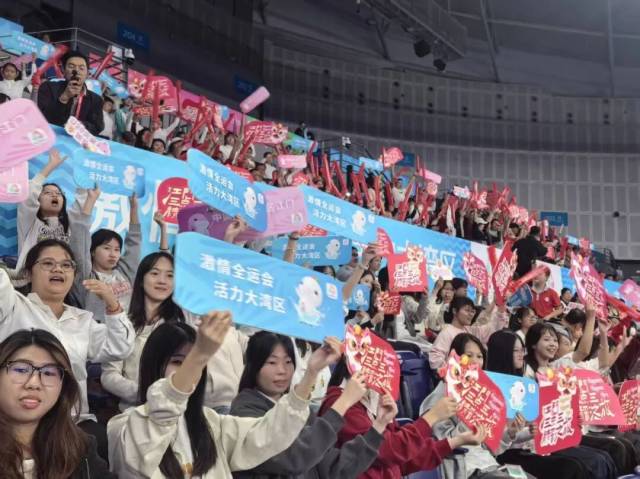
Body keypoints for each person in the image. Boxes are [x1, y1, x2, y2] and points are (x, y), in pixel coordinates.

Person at [108, 314, 328, 478]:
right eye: (177, 362)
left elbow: (268, 434)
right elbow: (163, 409)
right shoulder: (124, 426)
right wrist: (199, 354)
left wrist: (311, 373)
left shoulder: (211, 422)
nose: (191, 370)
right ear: (154, 364)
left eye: (196, 363)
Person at [0, 239, 134, 457]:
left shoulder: (83, 320)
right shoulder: (12, 305)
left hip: (73, 422)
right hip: (17, 420)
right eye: (48, 263)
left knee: (100, 444)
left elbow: (121, 347)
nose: (58, 269)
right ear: (28, 273)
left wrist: (112, 304)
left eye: (66, 265)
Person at [231, 331, 388, 479]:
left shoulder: (300, 410)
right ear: (253, 366)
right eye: (272, 362)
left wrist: (379, 425)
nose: (282, 370)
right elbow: (294, 458)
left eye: (288, 362)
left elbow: (334, 468)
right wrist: (344, 402)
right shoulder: (244, 411)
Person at [319, 357, 483, 479]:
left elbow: (403, 459)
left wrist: (458, 441)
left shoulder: (375, 399)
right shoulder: (340, 403)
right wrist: (431, 417)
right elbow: (385, 452)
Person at [0, 329, 115, 478]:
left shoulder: (80, 447)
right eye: (21, 370)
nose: (34, 384)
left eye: (48, 373)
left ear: (63, 386)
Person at [421, 333, 533, 479]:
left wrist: (510, 433)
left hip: (490, 465)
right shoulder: (438, 398)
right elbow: (444, 444)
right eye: (469, 355)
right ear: (454, 358)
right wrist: (470, 416)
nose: (475, 361)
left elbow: (490, 448)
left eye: (479, 356)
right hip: (466, 470)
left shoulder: (481, 396)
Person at [485, 330, 589, 479]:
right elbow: (498, 441)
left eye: (522, 350)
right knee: (571, 467)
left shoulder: (522, 383)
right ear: (502, 352)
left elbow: (528, 428)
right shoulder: (490, 388)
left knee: (585, 462)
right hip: (504, 455)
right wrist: (515, 432)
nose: (521, 354)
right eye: (515, 350)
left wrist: (569, 421)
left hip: (529, 447)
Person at [101, 252, 185, 411]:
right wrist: (144, 393)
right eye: (155, 273)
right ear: (140, 279)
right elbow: (109, 375)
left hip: (174, 410)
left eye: (170, 275)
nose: (162, 281)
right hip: (131, 411)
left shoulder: (182, 323)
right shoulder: (121, 319)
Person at [70, 190, 141, 321]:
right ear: (92, 251)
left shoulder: (124, 272)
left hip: (128, 329)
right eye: (106, 248)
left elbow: (134, 241)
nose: (113, 254)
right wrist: (91, 199)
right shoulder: (86, 277)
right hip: (98, 330)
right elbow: (80, 238)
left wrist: (134, 208)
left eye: (117, 250)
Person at [15, 149, 80, 278]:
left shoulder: (70, 226)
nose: (54, 195)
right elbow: (29, 195)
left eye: (58, 193)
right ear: (38, 200)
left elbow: (82, 213)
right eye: (47, 193)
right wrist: (50, 166)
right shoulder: (30, 223)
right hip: (31, 280)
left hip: (62, 281)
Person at [429, 297, 507, 370]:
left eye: (472, 311)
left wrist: (501, 308)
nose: (471, 314)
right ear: (455, 311)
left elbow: (492, 329)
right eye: (467, 310)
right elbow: (435, 359)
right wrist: (453, 371)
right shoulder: (447, 332)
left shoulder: (470, 330)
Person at [37, 50, 104, 134]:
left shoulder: (96, 100)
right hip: (49, 135)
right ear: (63, 70)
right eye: (71, 66)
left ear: (87, 74)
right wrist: (64, 98)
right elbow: (41, 117)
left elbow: (98, 126)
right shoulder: (48, 87)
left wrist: (81, 125)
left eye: (81, 68)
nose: (76, 71)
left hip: (76, 140)